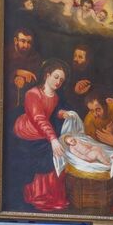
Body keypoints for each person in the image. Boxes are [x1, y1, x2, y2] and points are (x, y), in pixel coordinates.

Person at [12, 62, 69, 211]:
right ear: (47, 75)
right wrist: (53, 140)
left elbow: (48, 115)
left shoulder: (55, 97)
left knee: (59, 154)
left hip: (43, 133)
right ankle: (38, 195)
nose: (58, 82)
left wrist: (61, 114)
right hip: (27, 134)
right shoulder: (32, 94)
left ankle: (52, 196)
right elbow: (38, 118)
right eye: (56, 77)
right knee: (51, 154)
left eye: (61, 80)